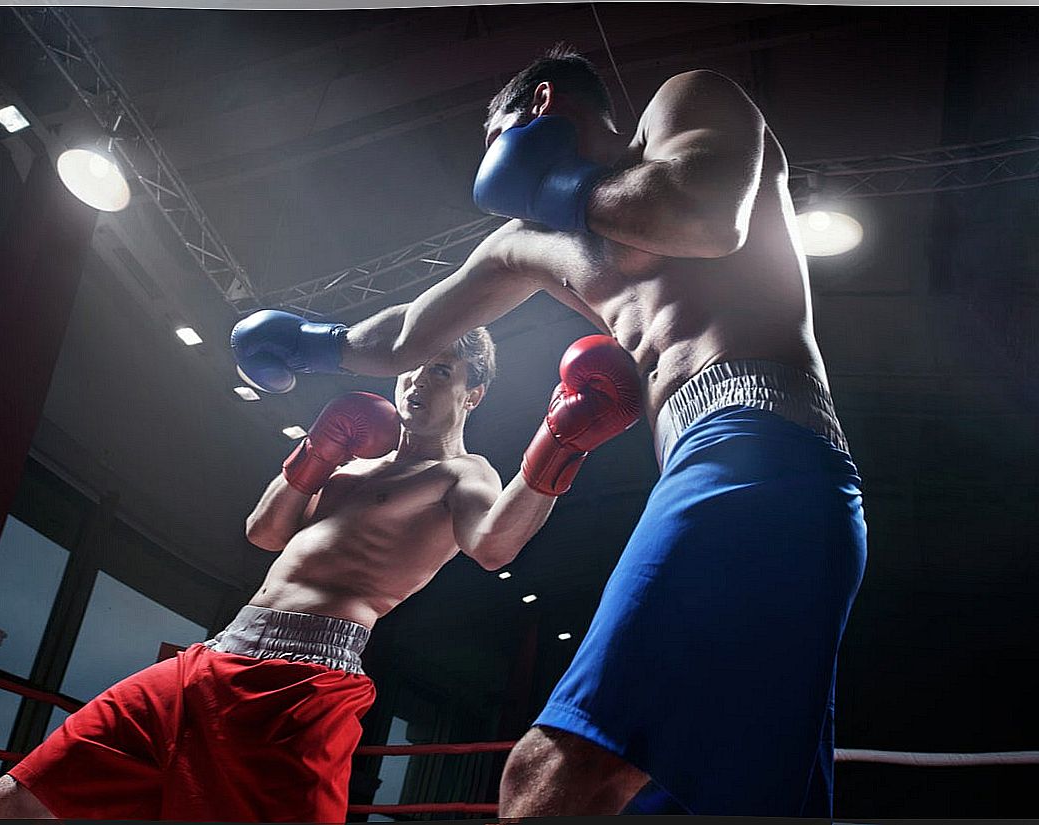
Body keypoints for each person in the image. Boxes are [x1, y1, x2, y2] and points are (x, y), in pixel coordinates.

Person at [228, 46, 867, 818]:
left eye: (496, 139)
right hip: (723, 466)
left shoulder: (686, 101)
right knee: (719, 800)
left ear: (536, 107)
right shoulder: (529, 242)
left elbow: (705, 214)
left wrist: (556, 182)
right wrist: (312, 343)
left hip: (759, 440)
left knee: (548, 782)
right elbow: (406, 333)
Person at [0, 326, 641, 822]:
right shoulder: (349, 466)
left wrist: (561, 443)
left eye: (440, 370)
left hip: (299, 682)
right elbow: (265, 532)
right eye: (410, 366)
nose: (416, 381)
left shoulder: (461, 473)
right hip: (209, 659)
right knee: (17, 802)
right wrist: (318, 450)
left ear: (475, 390)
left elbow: (494, 546)